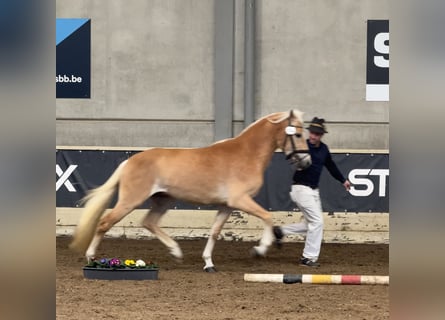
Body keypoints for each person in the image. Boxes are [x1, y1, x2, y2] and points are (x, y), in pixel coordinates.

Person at [273, 117, 351, 267]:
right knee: (317, 222)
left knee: (310, 223)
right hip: (300, 188)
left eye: (317, 134)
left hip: (313, 191)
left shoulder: (324, 149)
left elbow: (331, 166)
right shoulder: (302, 145)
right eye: (313, 133)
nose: (314, 136)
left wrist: (343, 180)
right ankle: (308, 257)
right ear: (309, 133)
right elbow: (289, 151)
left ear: (321, 135)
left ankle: (280, 231)